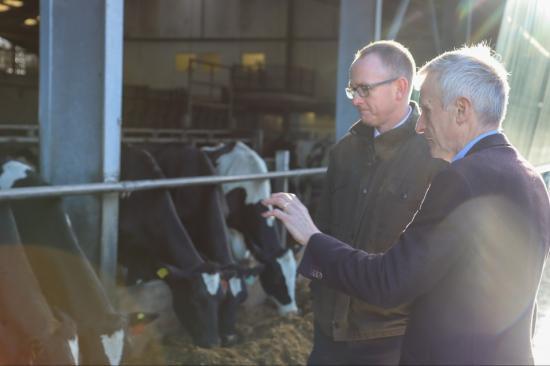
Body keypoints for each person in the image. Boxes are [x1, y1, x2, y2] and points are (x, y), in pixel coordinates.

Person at [263, 44, 550, 365]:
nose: (421, 125)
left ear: (461, 110)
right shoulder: (532, 180)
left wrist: (313, 239)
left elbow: (390, 282)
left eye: (427, 110)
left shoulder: (459, 179)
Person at [305, 40, 446, 365]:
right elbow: (324, 229)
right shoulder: (343, 153)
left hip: (390, 339)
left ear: (400, 88)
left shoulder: (434, 156)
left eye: (365, 90)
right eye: (352, 89)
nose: (355, 100)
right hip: (328, 333)